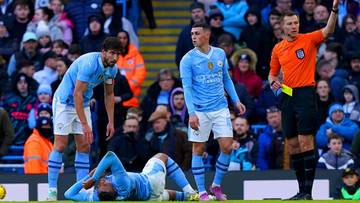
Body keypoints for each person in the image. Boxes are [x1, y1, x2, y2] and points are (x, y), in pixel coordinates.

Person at [268, 1, 340, 199]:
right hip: (288, 95)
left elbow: (328, 30)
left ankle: (308, 192)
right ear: (282, 26)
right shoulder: (278, 49)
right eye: (290, 23)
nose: (294, 26)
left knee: (305, 141)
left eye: (296, 23)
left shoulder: (308, 39)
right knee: (292, 144)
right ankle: (300, 191)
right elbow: (272, 74)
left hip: (306, 94)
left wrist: (334, 10)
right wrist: (274, 81)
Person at [47, 37, 121, 200]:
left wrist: (111, 121)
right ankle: (52, 191)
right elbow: (77, 94)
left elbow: (109, 94)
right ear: (103, 52)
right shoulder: (89, 63)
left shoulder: (112, 69)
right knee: (60, 145)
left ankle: (79, 190)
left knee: (84, 146)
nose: (115, 58)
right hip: (64, 102)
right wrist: (86, 125)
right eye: (112, 53)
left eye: (117, 54)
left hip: (83, 103)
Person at [180, 22, 246, 201]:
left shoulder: (219, 53)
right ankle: (201, 191)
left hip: (220, 109)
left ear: (207, 34)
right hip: (200, 111)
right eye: (192, 33)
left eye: (197, 33)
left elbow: (226, 79)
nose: (193, 36)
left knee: (227, 147)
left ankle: (215, 185)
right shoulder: (187, 59)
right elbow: (187, 88)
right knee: (198, 149)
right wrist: (191, 113)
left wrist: (236, 101)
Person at [64, 151, 199, 201]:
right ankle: (190, 191)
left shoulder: (95, 198)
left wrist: (87, 177)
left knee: (169, 195)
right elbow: (110, 156)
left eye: (99, 185)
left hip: (149, 198)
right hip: (151, 182)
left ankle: (194, 197)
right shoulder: (121, 184)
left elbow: (68, 194)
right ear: (114, 189)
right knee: (162, 157)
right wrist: (93, 179)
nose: (101, 182)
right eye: (104, 185)